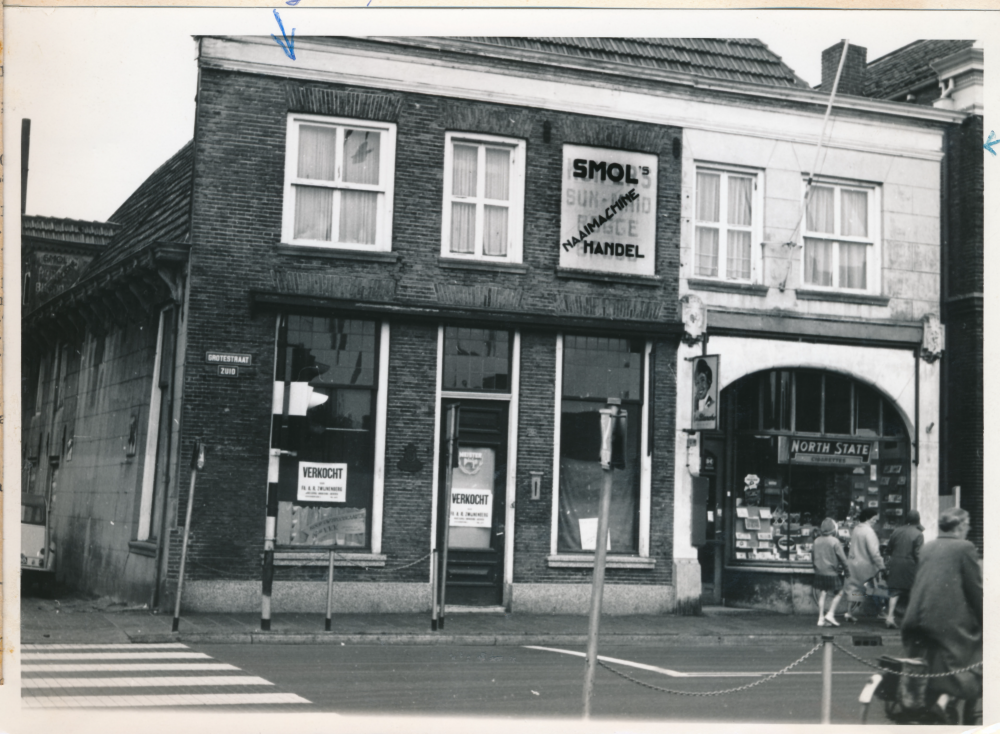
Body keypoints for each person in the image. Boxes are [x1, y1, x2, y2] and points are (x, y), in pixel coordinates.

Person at [901, 507, 982, 725]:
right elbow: (975, 590)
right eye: (968, 524)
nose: (969, 529)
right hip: (945, 623)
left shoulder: (928, 546)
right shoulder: (965, 547)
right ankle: (944, 701)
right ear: (961, 526)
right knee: (973, 656)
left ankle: (928, 702)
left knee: (932, 660)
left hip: (915, 619)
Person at [843, 507, 885, 623]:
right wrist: (881, 566)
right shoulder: (869, 532)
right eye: (874, 520)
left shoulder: (856, 529)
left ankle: (849, 612)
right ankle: (881, 612)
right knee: (876, 589)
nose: (875, 522)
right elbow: (874, 552)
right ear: (868, 518)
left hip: (853, 564)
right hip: (866, 566)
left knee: (854, 589)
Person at [884, 509, 923, 629]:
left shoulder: (896, 531)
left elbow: (889, 549)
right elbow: (918, 554)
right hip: (910, 566)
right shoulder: (918, 534)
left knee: (894, 593)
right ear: (917, 521)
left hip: (895, 564)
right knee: (912, 593)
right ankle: (911, 621)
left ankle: (890, 617)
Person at [812, 518, 848, 626]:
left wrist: (816, 568)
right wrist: (848, 571)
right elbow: (843, 559)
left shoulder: (816, 540)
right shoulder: (835, 541)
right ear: (833, 529)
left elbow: (812, 557)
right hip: (831, 572)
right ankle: (830, 614)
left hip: (819, 572)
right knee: (840, 592)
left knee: (822, 593)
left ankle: (820, 619)